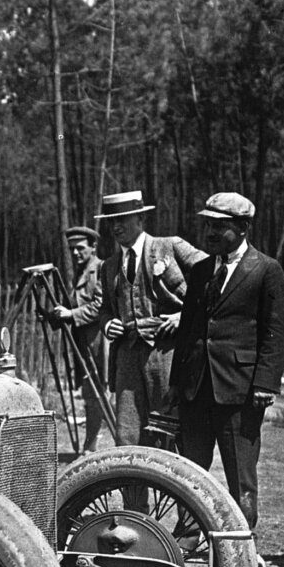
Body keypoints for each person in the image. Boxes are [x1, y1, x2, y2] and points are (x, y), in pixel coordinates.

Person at [169, 192, 284, 529]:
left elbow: (277, 333)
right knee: (190, 471)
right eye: (207, 224)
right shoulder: (201, 270)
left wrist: (266, 383)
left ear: (241, 227)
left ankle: (242, 542)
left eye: (218, 226)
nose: (209, 233)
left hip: (241, 392)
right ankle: (190, 535)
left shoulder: (265, 269)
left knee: (241, 475)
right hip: (196, 390)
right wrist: (176, 382)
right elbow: (189, 330)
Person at [95, 190, 207, 446]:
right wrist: (106, 323)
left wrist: (184, 316)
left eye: (123, 219)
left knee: (168, 429)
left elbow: (216, 275)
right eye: (111, 221)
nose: (116, 226)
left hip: (166, 353)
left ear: (140, 220)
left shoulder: (170, 246)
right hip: (126, 358)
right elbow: (104, 309)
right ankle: (133, 486)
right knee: (127, 436)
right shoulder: (109, 266)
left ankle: (172, 486)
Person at [52, 225, 108, 451]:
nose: (75, 253)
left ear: (93, 247)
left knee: (99, 394)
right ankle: (90, 445)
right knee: (90, 395)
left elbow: (101, 305)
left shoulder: (101, 269)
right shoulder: (80, 272)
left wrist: (71, 314)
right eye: (72, 249)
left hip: (99, 342)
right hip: (84, 343)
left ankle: (93, 444)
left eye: (80, 248)